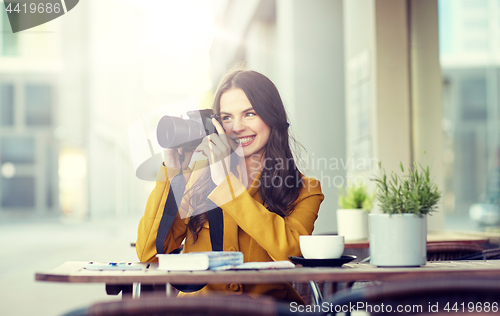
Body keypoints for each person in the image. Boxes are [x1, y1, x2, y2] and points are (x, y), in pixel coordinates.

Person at [136, 69, 324, 304]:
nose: (236, 127)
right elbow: (149, 253)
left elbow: (293, 255)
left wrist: (227, 186)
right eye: (226, 117)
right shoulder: (197, 180)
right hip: (201, 310)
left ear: (271, 117)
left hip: (270, 310)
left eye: (249, 114)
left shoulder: (305, 189)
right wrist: (173, 174)